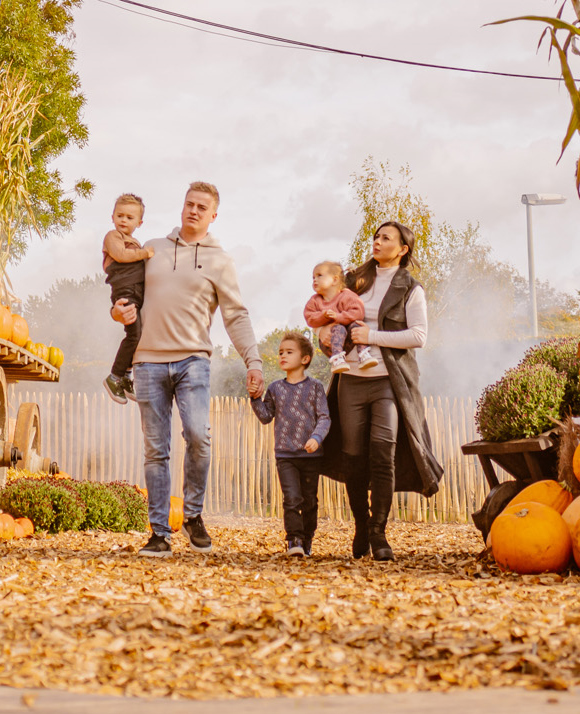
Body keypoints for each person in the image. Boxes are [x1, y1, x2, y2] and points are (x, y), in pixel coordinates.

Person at [110, 180, 261, 554]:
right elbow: (123, 286)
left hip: (194, 360)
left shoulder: (219, 261)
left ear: (213, 216)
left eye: (201, 207)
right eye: (189, 203)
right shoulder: (153, 250)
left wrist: (253, 360)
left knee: (198, 435)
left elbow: (236, 316)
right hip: (147, 362)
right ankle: (159, 532)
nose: (193, 210)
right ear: (182, 207)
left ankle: (192, 514)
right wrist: (117, 310)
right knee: (155, 449)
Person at [328, 218, 444, 560]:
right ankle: (361, 525)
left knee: (383, 454)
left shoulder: (411, 288)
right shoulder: (354, 280)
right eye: (376, 236)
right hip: (350, 380)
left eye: (386, 238)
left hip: (388, 382)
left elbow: (418, 336)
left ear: (403, 249)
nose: (377, 241)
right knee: (353, 458)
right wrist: (324, 334)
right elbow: (329, 313)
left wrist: (372, 336)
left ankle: (379, 533)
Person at [249, 332, 331, 555]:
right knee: (292, 498)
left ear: (305, 359)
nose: (283, 355)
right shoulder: (275, 388)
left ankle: (307, 539)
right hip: (285, 455)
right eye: (280, 352)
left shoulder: (315, 387)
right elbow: (266, 416)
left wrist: (316, 438)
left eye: (289, 352)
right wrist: (255, 398)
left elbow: (324, 417)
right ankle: (294, 540)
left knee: (310, 502)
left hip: (311, 456)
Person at [100, 193, 152, 403]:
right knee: (133, 335)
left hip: (136, 292)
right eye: (120, 215)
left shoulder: (136, 242)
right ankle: (114, 377)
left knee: (139, 335)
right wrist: (145, 253)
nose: (123, 220)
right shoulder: (113, 236)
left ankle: (127, 376)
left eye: (129, 218)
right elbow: (121, 256)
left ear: (139, 222)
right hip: (125, 291)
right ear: (112, 216)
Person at [302, 260, 367, 366]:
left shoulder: (347, 296)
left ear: (335, 279)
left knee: (357, 325)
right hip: (329, 342)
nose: (315, 280)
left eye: (319, 276)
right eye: (313, 277)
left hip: (350, 337)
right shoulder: (315, 300)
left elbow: (358, 312)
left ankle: (364, 353)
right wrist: (323, 316)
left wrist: (338, 316)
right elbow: (309, 317)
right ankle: (337, 359)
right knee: (338, 328)